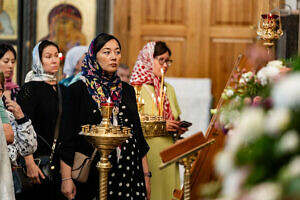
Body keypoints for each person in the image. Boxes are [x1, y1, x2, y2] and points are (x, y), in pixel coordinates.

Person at [59, 33, 150, 200]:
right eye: (106, 52)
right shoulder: (78, 90)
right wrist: (66, 178)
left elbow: (138, 137)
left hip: (128, 173)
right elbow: (66, 138)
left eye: (117, 52)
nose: (113, 57)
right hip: (93, 173)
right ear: (94, 56)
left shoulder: (127, 90)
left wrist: (146, 176)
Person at [130, 41, 187, 200]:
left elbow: (175, 117)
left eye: (168, 61)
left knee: (170, 193)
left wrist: (178, 126)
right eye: (161, 60)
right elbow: (132, 125)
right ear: (149, 59)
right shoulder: (135, 88)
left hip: (169, 151)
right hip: (149, 153)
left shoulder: (168, 88)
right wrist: (162, 126)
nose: (166, 65)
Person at [17, 40, 62, 200]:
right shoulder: (30, 88)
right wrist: (29, 162)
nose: (54, 60)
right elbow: (21, 126)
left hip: (58, 162)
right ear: (38, 59)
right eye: (48, 56)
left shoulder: (62, 88)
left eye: (57, 55)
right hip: (37, 161)